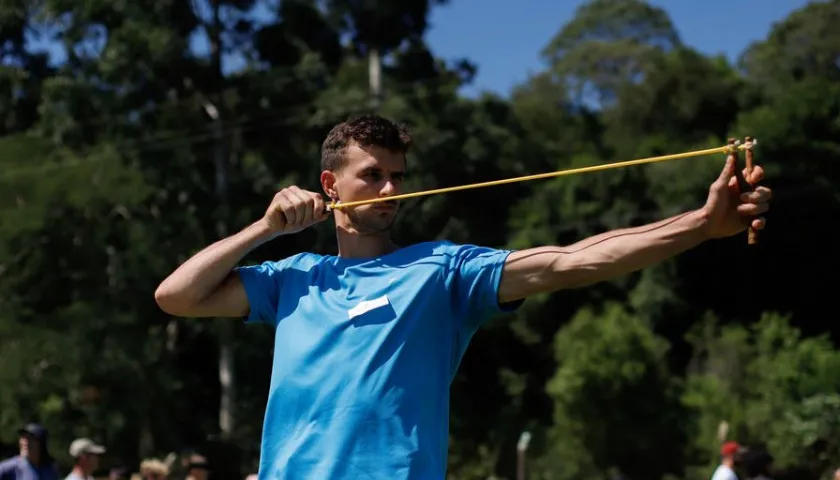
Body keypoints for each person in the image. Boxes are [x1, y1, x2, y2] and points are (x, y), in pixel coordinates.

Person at [154, 114, 772, 479]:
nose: (390, 187)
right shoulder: (291, 278)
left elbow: (567, 261)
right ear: (329, 184)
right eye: (373, 174)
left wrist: (699, 225)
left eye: (398, 174)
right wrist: (266, 229)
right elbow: (176, 296)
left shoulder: (442, 271)